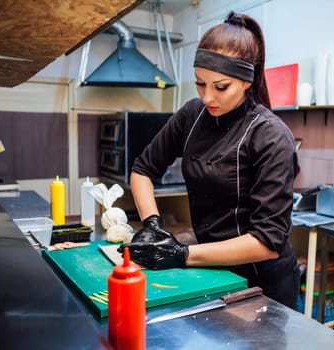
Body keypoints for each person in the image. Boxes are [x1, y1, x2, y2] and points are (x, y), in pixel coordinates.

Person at [119, 11, 300, 309]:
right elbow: (142, 170)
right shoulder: (191, 115)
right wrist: (152, 224)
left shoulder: (271, 136)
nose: (208, 98)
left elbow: (268, 243)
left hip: (263, 284)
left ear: (246, 81)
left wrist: (182, 255)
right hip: (211, 271)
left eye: (220, 87)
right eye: (200, 84)